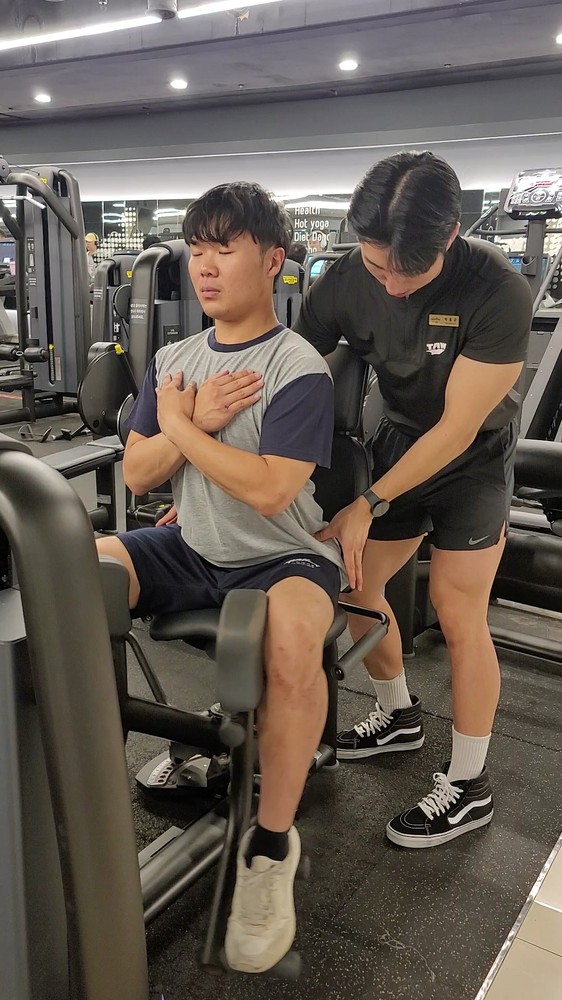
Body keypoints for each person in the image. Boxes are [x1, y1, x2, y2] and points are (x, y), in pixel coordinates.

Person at [96, 182, 346, 973]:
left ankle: (270, 847)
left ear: (272, 261)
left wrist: (177, 426)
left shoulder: (296, 366)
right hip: (194, 543)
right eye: (196, 250)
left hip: (282, 554)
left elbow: (271, 490)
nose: (204, 266)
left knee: (294, 639)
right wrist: (188, 425)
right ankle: (79, 784)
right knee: (81, 574)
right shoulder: (174, 362)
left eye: (224, 249)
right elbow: (137, 475)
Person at [294, 151, 533, 849]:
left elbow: (456, 429)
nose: (393, 286)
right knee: (353, 586)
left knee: (459, 615)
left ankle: (468, 782)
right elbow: (291, 368)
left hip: (473, 458)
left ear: (451, 235)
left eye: (409, 271)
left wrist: (365, 503)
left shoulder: (497, 290)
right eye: (378, 269)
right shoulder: (344, 279)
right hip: (396, 442)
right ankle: (398, 715)